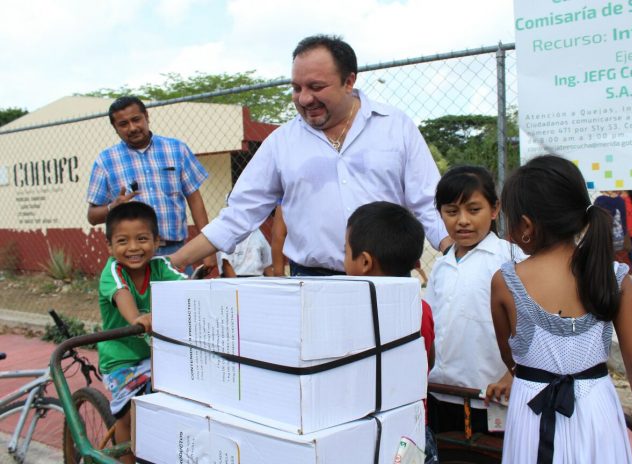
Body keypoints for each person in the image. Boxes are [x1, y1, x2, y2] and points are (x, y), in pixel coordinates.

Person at [169, 35, 450, 275]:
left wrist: (454, 248)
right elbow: (239, 215)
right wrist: (173, 263)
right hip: (311, 282)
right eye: (296, 88)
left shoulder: (395, 126)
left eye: (316, 87)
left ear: (349, 81)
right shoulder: (281, 143)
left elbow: (428, 201)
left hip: (388, 279)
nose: (304, 99)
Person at [490, 155, 632, 463]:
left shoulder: (505, 282)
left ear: (526, 226)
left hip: (531, 411)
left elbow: (511, 356)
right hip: (596, 411)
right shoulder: (614, 277)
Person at [425, 165, 523, 435]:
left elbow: (533, 325)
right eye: (452, 212)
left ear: (494, 209)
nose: (463, 221)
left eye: (473, 209)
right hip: (441, 392)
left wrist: (512, 375)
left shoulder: (511, 260)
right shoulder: (441, 266)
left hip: (492, 395)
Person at [343, 201, 437, 463]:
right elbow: (428, 361)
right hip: (414, 436)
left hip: (364, 436)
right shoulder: (423, 309)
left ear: (364, 262)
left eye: (345, 251)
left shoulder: (350, 314)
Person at [97, 202, 187, 463]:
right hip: (121, 359)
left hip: (153, 353)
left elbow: (184, 289)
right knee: (129, 413)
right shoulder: (113, 271)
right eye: (123, 241)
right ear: (110, 247)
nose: (134, 247)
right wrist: (137, 317)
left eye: (142, 239)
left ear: (157, 241)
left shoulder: (160, 267)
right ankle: (125, 458)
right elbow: (122, 294)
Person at [86, 95, 216, 272]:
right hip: (133, 258)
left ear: (146, 117)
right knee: (136, 301)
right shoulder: (105, 161)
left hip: (177, 252)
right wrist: (112, 207)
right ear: (115, 129)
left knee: (179, 300)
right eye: (123, 124)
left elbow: (195, 200)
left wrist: (208, 250)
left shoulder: (177, 149)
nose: (132, 128)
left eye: (136, 119)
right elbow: (92, 216)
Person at [593, 190, 629, 255]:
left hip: (603, 237)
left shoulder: (600, 200)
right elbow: (624, 220)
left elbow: (596, 218)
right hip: (619, 237)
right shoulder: (620, 201)